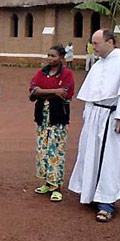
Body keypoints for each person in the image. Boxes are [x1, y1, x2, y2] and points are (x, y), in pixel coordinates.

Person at [68, 29, 120, 223]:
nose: (93, 47)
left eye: (96, 43)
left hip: (112, 118)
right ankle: (93, 193)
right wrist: (88, 113)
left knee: (109, 159)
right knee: (90, 155)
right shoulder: (99, 64)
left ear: (110, 42)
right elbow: (92, 93)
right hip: (95, 116)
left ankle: (106, 202)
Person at [29, 45, 75, 202]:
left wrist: (44, 92)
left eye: (53, 56)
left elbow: (66, 93)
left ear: (61, 58)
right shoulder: (42, 72)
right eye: (48, 55)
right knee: (43, 149)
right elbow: (33, 90)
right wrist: (54, 91)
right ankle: (47, 183)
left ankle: (57, 187)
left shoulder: (67, 74)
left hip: (58, 118)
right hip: (42, 118)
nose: (50, 58)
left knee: (56, 151)